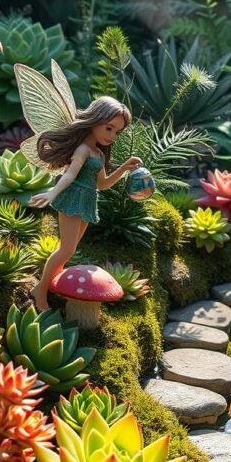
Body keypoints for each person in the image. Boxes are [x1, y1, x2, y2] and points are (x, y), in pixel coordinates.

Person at [27, 95, 141, 311]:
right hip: (73, 199)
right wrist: (53, 192)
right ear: (95, 120)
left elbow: (103, 184)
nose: (112, 136)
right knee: (66, 250)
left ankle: (53, 282)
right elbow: (70, 175)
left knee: (69, 249)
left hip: (88, 202)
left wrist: (124, 168)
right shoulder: (82, 150)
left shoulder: (98, 153)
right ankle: (40, 290)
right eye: (109, 128)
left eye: (117, 132)